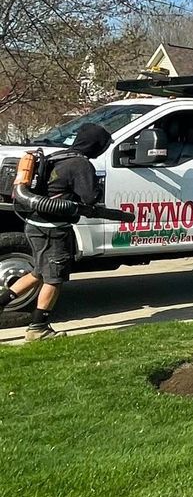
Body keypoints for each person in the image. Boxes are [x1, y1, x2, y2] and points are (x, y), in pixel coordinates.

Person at [0, 123, 111, 342]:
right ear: (95, 145)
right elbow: (90, 197)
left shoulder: (59, 156)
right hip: (53, 230)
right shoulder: (81, 165)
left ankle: (2, 302)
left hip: (33, 224)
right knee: (54, 279)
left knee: (39, 273)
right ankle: (38, 328)